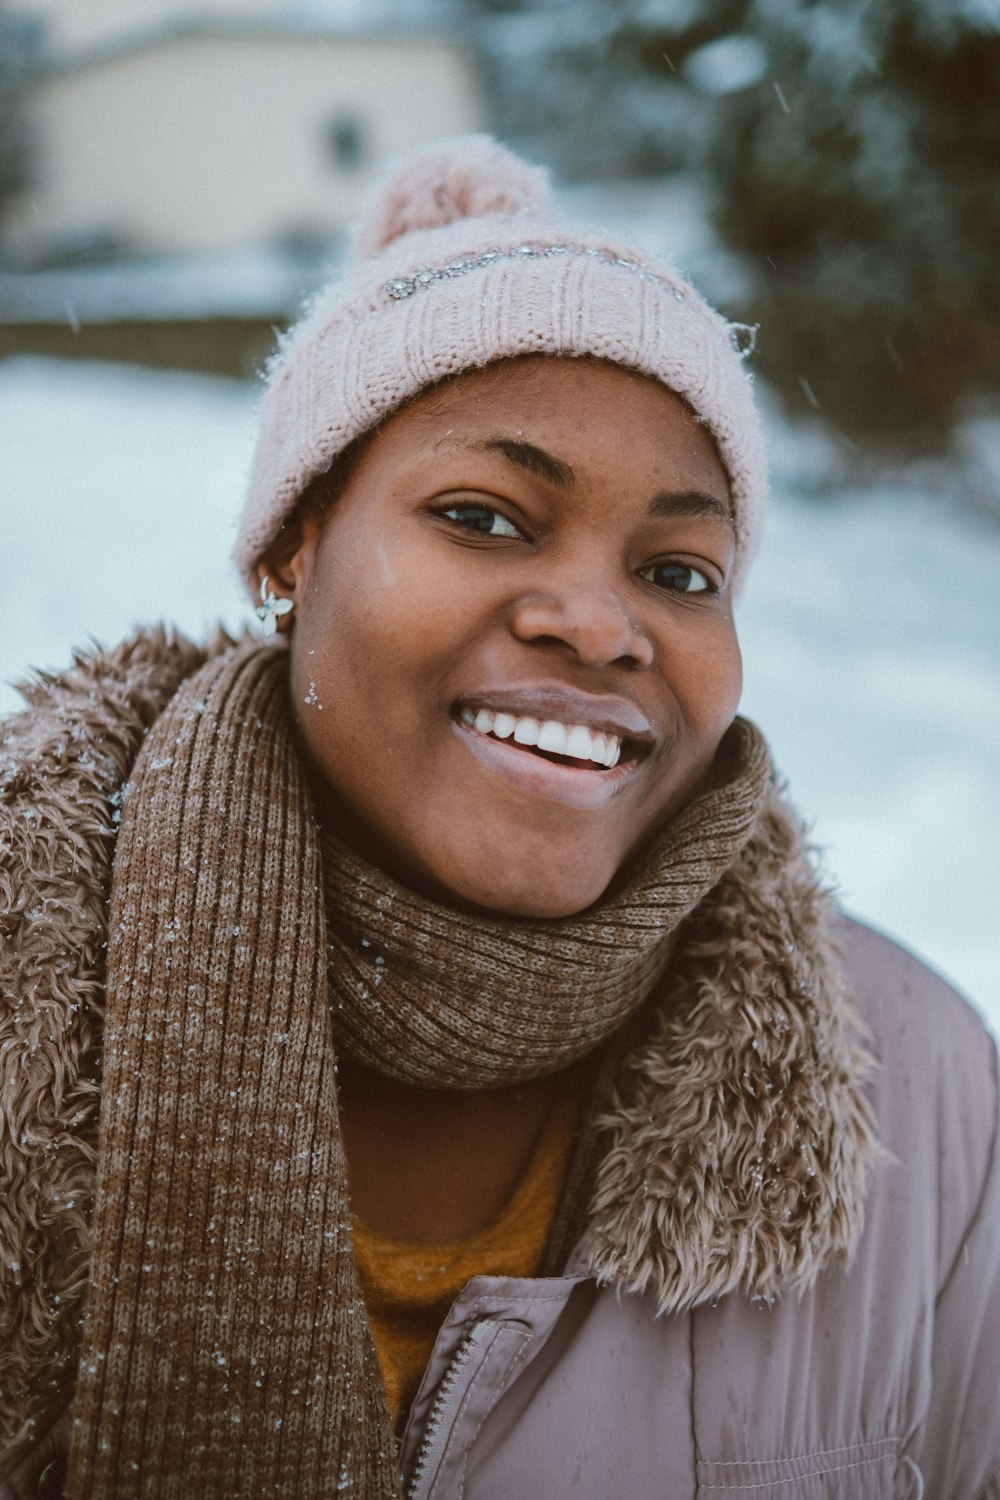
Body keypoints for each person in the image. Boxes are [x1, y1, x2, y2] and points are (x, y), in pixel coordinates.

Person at [1, 136, 997, 1500]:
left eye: (678, 568)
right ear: (298, 546)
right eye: (483, 516)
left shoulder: (922, 1092)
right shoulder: (22, 985)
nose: (599, 622)